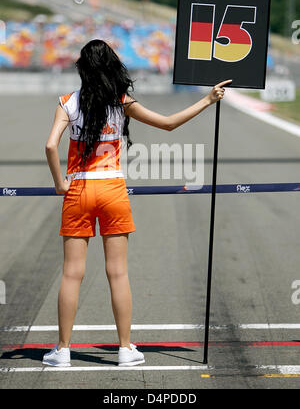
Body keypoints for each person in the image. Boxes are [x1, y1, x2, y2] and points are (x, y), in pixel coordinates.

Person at [43, 39, 231, 367]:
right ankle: (125, 349)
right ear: (112, 65)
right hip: (113, 190)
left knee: (72, 273)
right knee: (118, 272)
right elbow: (169, 123)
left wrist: (59, 183)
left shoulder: (67, 102)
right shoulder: (122, 101)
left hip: (79, 192)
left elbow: (49, 146)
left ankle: (62, 350)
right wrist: (208, 99)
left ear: (82, 68)